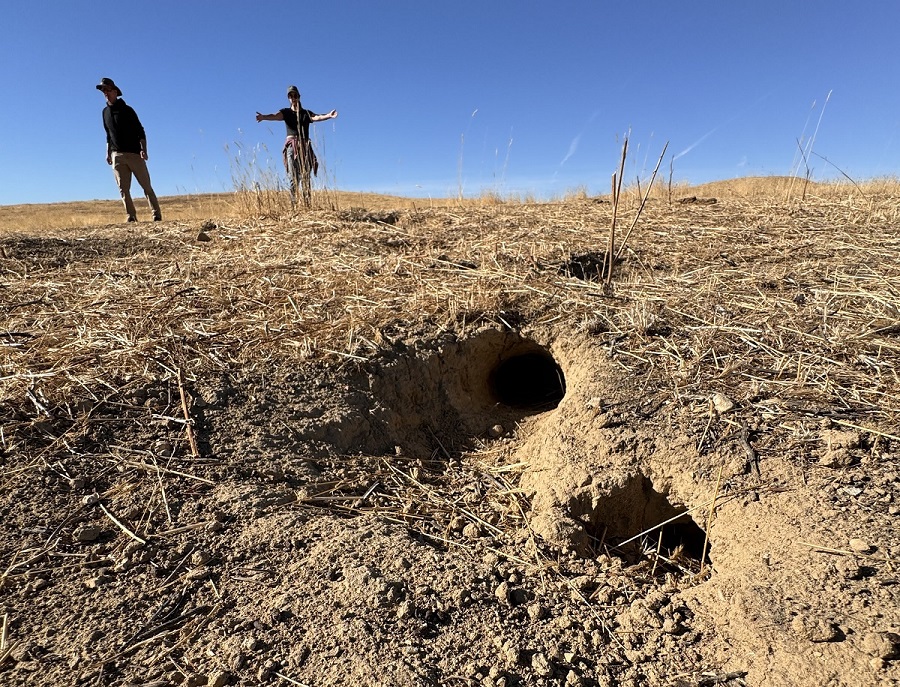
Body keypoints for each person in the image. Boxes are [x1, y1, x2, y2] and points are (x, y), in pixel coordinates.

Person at [256, 85, 337, 207]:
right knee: (293, 177)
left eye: (295, 95)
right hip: (292, 146)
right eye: (290, 96)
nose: (293, 98)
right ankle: (294, 206)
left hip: (305, 147)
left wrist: (328, 116)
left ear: (299, 97)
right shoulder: (286, 112)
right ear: (288, 98)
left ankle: (307, 206)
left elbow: (316, 117)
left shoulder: (306, 113)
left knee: (305, 177)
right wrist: (264, 117)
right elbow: (275, 116)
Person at [96, 77, 162, 222]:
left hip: (134, 154)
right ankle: (131, 216)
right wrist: (108, 153)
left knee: (146, 186)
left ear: (115, 91)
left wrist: (143, 149)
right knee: (123, 189)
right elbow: (108, 134)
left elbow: (141, 131)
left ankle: (156, 214)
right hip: (117, 155)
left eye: (107, 90)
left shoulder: (128, 110)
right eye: (103, 91)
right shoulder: (104, 113)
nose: (105, 93)